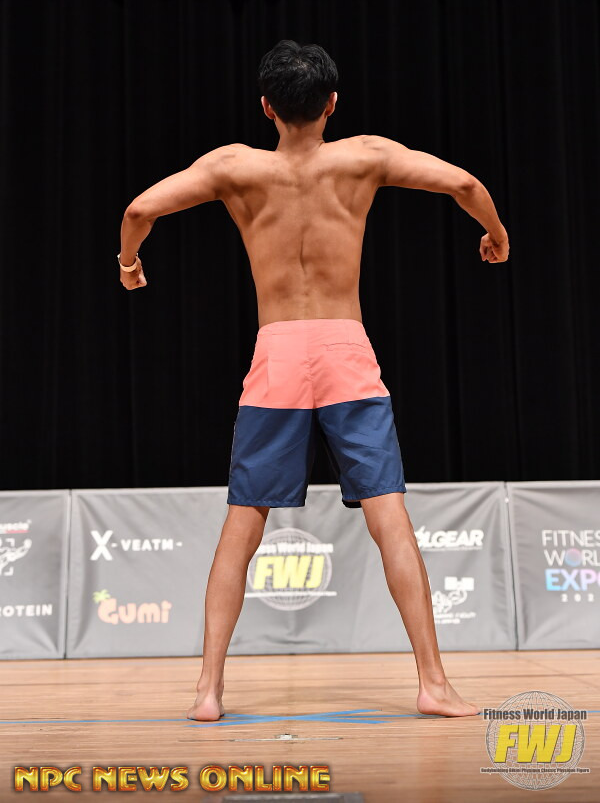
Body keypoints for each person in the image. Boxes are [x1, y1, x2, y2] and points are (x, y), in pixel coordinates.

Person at [118, 39, 509, 721]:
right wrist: (495, 234)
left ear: (266, 107)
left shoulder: (233, 167)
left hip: (277, 354)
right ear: (332, 103)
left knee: (243, 524)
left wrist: (130, 265)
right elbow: (466, 186)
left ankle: (208, 691)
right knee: (389, 518)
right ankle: (433, 684)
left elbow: (138, 212)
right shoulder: (365, 156)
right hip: (344, 350)